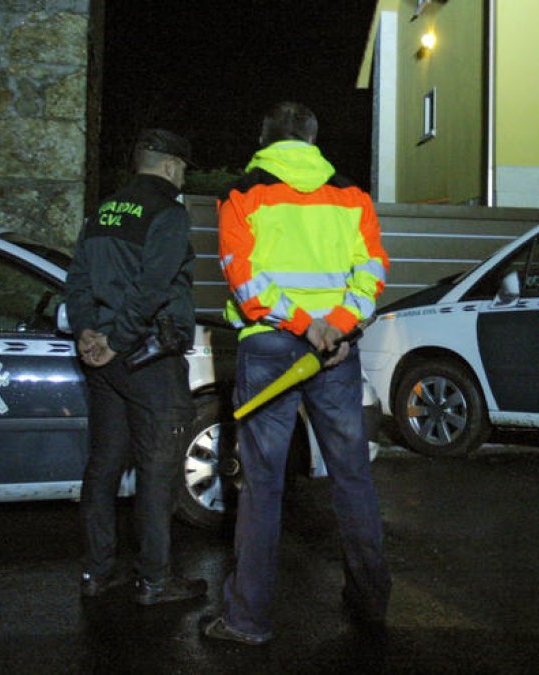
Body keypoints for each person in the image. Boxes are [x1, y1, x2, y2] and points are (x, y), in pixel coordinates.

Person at [201, 102, 391, 646]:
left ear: (264, 138)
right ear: (313, 139)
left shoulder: (243, 193)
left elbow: (245, 280)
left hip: (271, 350)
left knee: (261, 485)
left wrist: (306, 325)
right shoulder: (351, 193)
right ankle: (370, 604)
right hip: (336, 351)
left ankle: (247, 620)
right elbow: (373, 269)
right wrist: (334, 324)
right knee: (352, 476)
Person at [64, 128, 207, 605]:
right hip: (148, 358)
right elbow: (153, 288)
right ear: (169, 165)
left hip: (103, 362)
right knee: (157, 469)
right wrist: (118, 340)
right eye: (183, 168)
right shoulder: (168, 212)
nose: (183, 176)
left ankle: (97, 572)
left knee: (103, 465)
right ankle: (155, 580)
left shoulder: (101, 211)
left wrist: (89, 332)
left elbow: (77, 281)